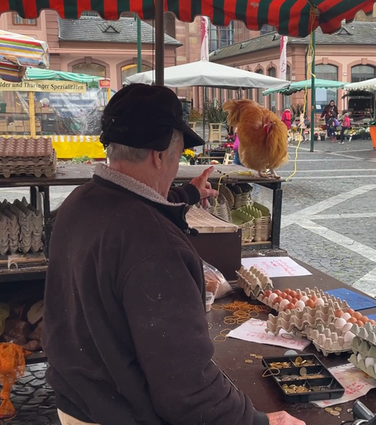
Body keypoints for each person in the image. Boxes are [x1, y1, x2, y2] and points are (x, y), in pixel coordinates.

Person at [42, 84, 304, 425]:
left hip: (78, 400)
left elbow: (130, 205)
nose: (176, 164)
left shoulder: (78, 203)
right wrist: (261, 422)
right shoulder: (156, 248)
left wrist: (186, 195)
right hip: (122, 413)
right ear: (159, 154)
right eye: (178, 156)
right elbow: (188, 391)